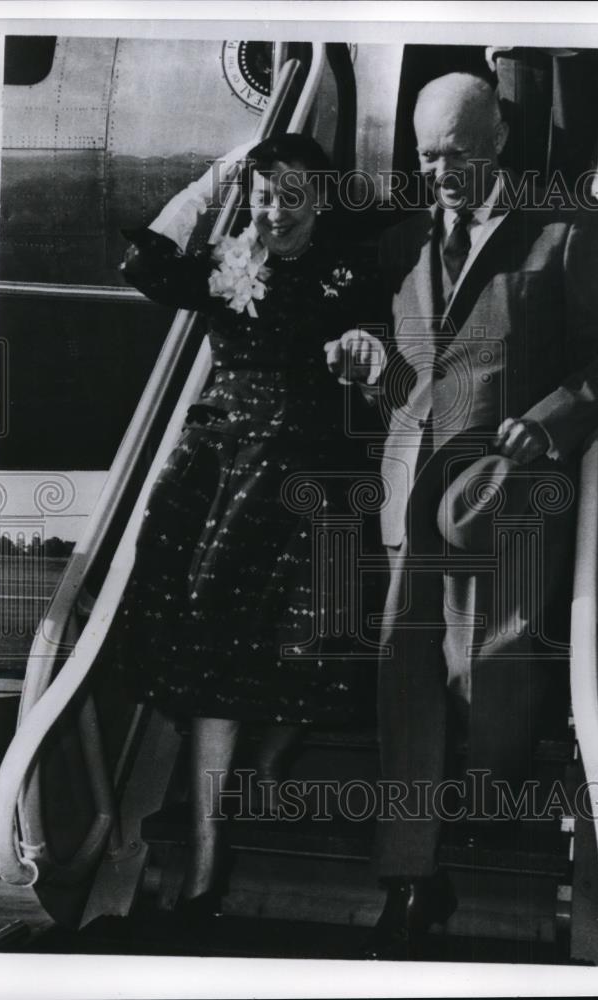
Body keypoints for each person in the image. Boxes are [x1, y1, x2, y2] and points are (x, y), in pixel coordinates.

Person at [330, 73, 598, 960]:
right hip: (414, 501)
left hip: (506, 498)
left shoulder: (566, 231)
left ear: (497, 138)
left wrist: (543, 429)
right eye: (429, 159)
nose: (443, 176)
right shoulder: (407, 245)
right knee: (406, 682)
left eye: (459, 156)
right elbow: (413, 385)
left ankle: (486, 806)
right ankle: (407, 880)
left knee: (491, 675)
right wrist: (367, 365)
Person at [113, 133, 385, 919]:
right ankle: (206, 858)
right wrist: (214, 179)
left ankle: (267, 763)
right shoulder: (234, 262)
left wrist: (360, 349)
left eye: (290, 195)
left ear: (321, 201)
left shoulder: (348, 271)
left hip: (309, 470)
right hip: (220, 470)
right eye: (262, 194)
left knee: (315, 651)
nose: (272, 210)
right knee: (208, 657)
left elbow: (374, 343)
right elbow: (146, 266)